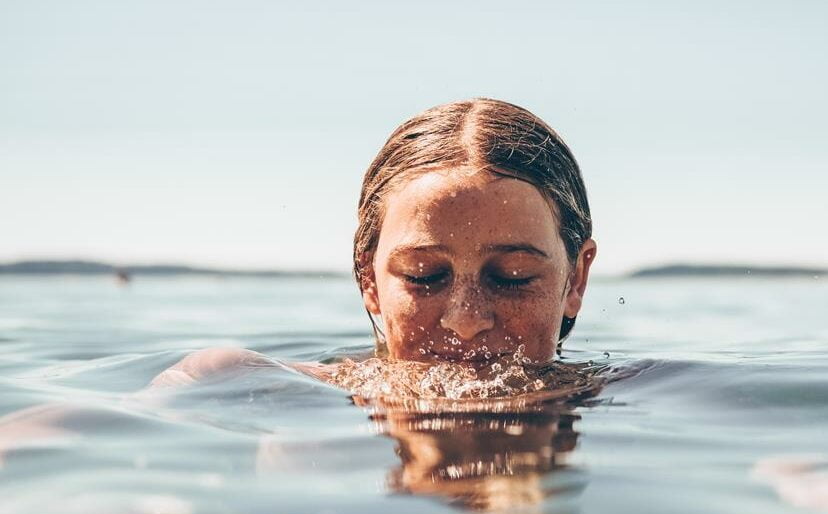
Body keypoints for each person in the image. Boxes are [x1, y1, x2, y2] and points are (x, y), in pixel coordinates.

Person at [156, 98, 598, 390]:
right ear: (369, 279)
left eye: (512, 277)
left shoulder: (639, 395)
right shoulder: (248, 383)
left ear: (575, 281)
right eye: (423, 276)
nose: (466, 320)